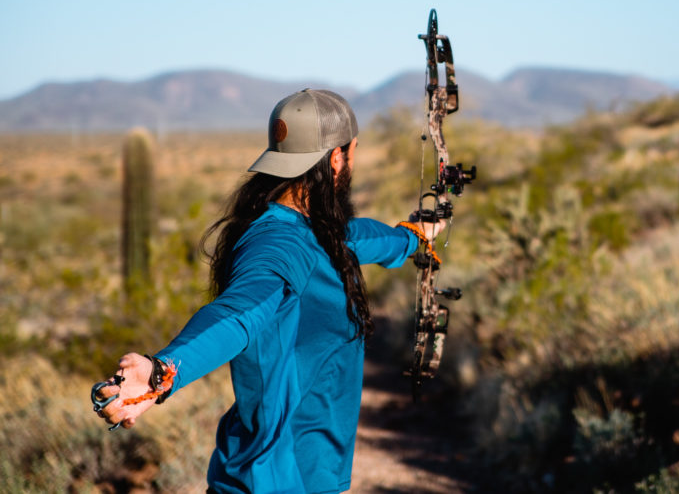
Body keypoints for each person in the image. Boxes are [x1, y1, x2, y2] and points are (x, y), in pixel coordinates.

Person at [93, 88, 443, 494]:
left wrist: (412, 236)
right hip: (273, 479)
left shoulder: (312, 230)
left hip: (304, 472)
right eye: (352, 152)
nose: (353, 162)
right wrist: (163, 371)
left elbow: (357, 237)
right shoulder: (278, 244)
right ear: (335, 159)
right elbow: (240, 311)